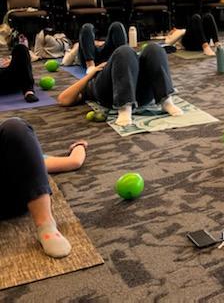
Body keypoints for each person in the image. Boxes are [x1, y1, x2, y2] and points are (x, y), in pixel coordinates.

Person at [0, 118, 88, 258]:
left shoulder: (14, 150)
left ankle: (46, 225)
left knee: (15, 126)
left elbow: (73, 162)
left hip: (10, 197)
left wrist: (79, 146)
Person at [57, 44, 181, 127]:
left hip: (139, 95)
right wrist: (91, 74)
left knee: (154, 48)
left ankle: (166, 101)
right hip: (109, 94)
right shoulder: (92, 82)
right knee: (124, 51)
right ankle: (124, 106)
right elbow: (63, 99)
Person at [63, 21, 127, 69]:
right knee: (87, 27)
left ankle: (124, 62)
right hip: (89, 58)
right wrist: (76, 47)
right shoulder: (78, 45)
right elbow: (66, 62)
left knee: (117, 25)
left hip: (106, 56)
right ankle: (90, 66)